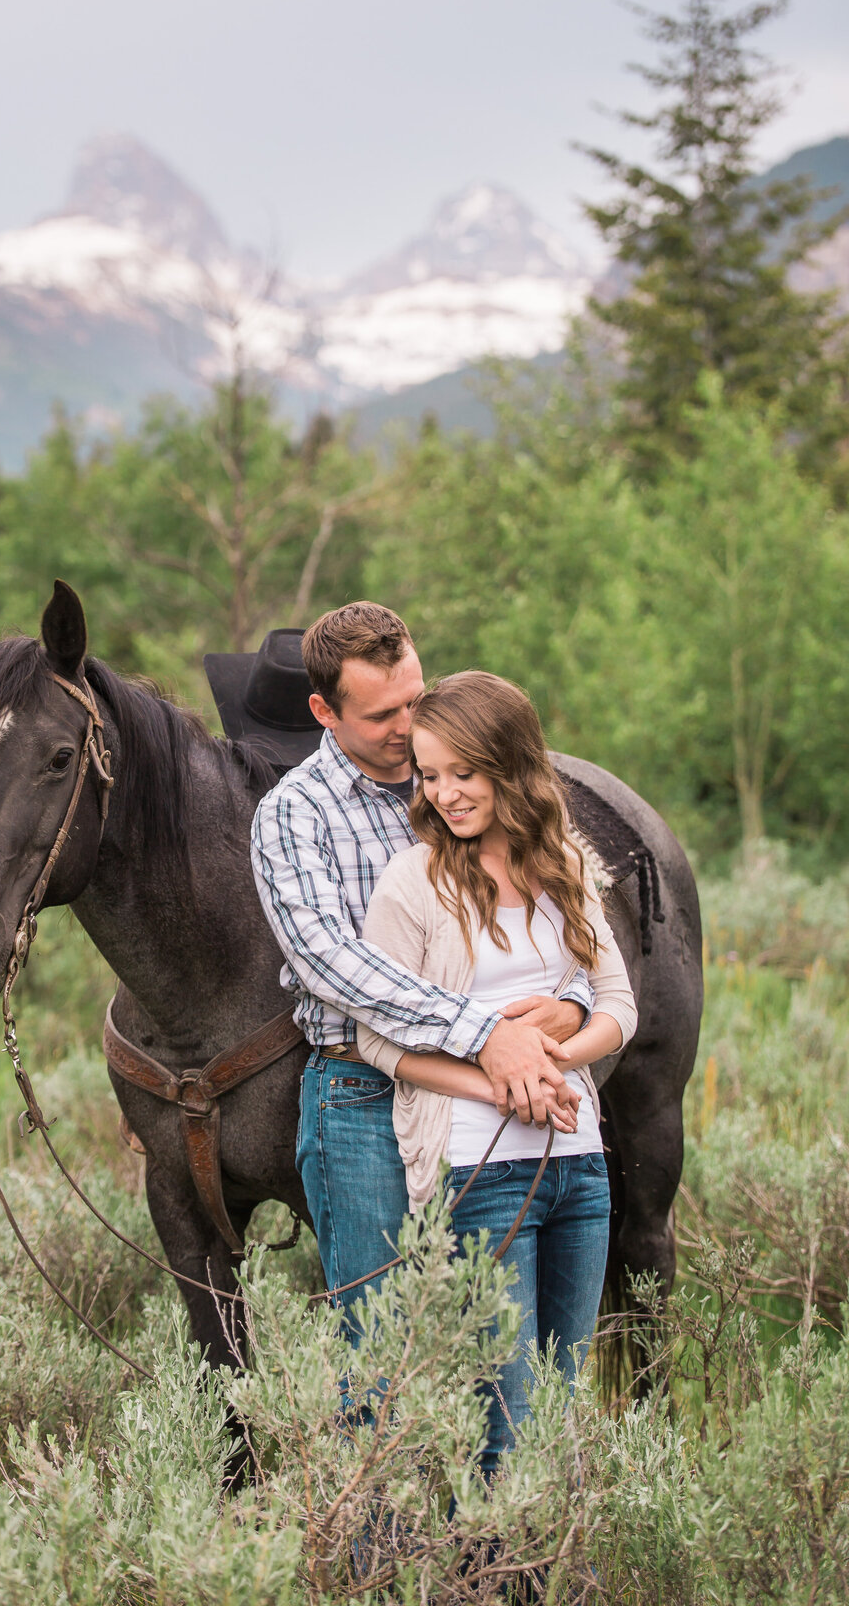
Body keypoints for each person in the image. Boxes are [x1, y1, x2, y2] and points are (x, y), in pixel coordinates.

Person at [250, 602, 595, 1346]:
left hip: (489, 1101)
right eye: (382, 714)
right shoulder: (295, 815)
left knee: (488, 1347)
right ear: (324, 710)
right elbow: (329, 961)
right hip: (363, 1097)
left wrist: (568, 1005)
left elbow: (544, 923)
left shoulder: (454, 784)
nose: (409, 725)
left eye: (416, 698)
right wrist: (482, 1035)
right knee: (381, 1341)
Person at [355, 670, 637, 1476]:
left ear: (511, 766)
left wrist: (556, 1058)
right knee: (505, 1430)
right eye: (430, 775)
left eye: (463, 773)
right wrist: (496, 1083)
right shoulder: (414, 883)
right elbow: (377, 1042)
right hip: (482, 1176)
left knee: (560, 1415)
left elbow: (618, 1005)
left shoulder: (566, 869)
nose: (444, 794)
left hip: (581, 1168)